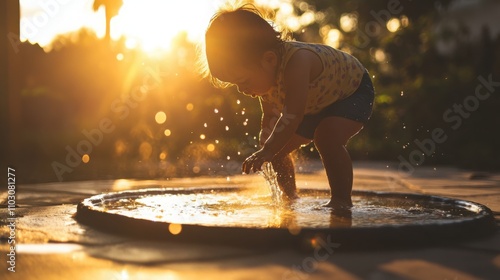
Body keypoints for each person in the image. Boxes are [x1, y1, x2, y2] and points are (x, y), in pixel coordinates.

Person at [202, 6, 374, 209]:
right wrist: (267, 142)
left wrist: (268, 148)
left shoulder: (298, 61)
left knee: (326, 138)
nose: (242, 90)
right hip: (315, 104)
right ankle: (289, 198)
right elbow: (271, 118)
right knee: (275, 146)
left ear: (269, 59)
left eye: (243, 81)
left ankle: (341, 201)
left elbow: (292, 115)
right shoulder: (267, 79)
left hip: (351, 91)